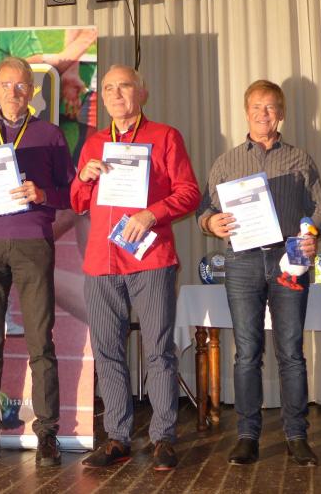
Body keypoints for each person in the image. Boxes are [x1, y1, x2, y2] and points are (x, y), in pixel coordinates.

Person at [196, 79, 321, 467]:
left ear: (281, 113)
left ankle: (297, 435)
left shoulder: (300, 159)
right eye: (256, 107)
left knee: (291, 352)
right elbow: (204, 210)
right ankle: (247, 436)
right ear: (246, 112)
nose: (263, 113)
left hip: (289, 260)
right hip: (242, 263)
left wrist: (310, 234)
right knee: (247, 353)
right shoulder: (226, 162)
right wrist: (211, 224)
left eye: (270, 107)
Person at [72, 65, 200, 472]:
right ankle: (118, 438)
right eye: (108, 88)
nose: (115, 93)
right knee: (107, 352)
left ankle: (163, 438)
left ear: (141, 93)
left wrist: (152, 214)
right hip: (101, 262)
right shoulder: (94, 143)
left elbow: (190, 193)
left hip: (151, 258)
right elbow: (77, 201)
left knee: (158, 349)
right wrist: (84, 177)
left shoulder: (165, 136)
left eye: (123, 86)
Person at [0, 56, 75, 467]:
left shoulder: (50, 134)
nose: (13, 92)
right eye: (5, 85)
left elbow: (70, 193)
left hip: (32, 242)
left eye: (21, 85)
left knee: (41, 340)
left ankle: (47, 433)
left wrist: (43, 194)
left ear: (32, 90)